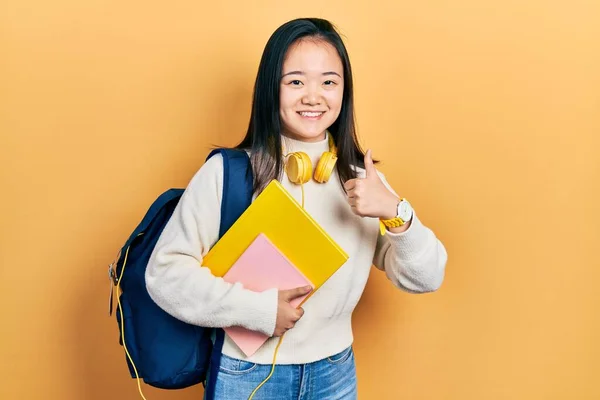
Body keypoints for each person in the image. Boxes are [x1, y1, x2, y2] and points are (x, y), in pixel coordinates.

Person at [145, 17, 447, 400]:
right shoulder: (228, 173)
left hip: (335, 371)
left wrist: (396, 211)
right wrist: (257, 310)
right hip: (246, 374)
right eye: (296, 81)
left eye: (328, 82)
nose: (313, 96)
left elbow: (426, 277)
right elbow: (164, 274)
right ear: (271, 89)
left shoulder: (362, 181)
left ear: (344, 91)